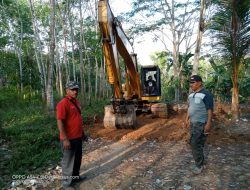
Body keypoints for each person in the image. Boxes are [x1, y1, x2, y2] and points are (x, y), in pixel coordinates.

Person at [56, 81, 86, 189]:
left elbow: (77, 119)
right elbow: (60, 121)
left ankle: (75, 177)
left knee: (77, 159)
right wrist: (65, 139)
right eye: (73, 89)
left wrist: (82, 133)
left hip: (77, 137)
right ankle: (66, 184)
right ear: (67, 90)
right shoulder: (63, 103)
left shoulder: (76, 102)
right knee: (68, 162)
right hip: (69, 139)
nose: (75, 91)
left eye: (76, 89)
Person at [185, 75, 213, 175]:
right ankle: (201, 161)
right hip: (193, 123)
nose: (191, 85)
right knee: (197, 143)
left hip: (201, 123)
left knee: (195, 144)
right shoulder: (191, 95)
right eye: (190, 83)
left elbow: (209, 110)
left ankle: (199, 165)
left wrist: (209, 123)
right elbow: (189, 108)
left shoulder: (206, 94)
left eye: (193, 82)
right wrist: (186, 119)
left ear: (199, 83)